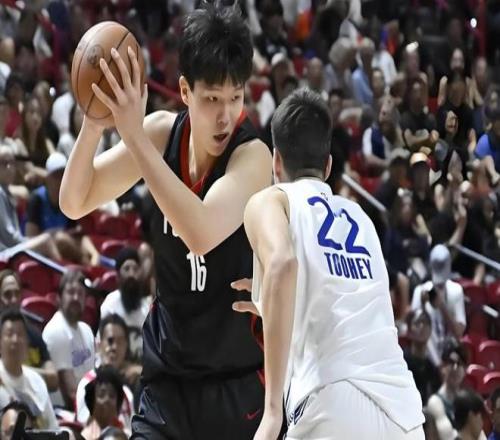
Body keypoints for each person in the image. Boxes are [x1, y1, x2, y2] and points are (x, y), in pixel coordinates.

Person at [59, 3, 272, 439]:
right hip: (167, 382)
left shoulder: (252, 156)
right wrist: (96, 122)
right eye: (212, 99)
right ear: (185, 91)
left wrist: (133, 136)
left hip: (233, 386)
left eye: (235, 97)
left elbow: (201, 233)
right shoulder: (160, 134)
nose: (225, 115)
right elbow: (74, 201)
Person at [234, 88, 424, 439]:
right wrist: (269, 302)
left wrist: (272, 412)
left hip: (333, 397)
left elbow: (282, 265)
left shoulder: (270, 200)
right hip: (404, 412)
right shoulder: (361, 218)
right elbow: (346, 298)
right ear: (329, 165)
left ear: (276, 161)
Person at [42, 269, 95, 409]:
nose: (76, 298)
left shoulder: (87, 330)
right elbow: (70, 393)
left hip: (87, 403)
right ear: (59, 298)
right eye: (71, 292)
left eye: (80, 293)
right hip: (63, 410)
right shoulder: (56, 330)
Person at [0, 269, 58, 391]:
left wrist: (16, 370)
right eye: (7, 294)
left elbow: (53, 379)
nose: (13, 299)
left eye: (17, 293)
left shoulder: (33, 333)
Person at [0, 308, 58, 429]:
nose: (15, 340)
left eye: (20, 334)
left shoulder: (37, 381)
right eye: (9, 334)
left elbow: (52, 428)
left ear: (27, 343)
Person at [411, 245, 466, 367]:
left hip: (449, 358)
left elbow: (459, 333)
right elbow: (416, 333)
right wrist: (423, 306)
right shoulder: (420, 291)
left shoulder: (456, 291)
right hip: (426, 360)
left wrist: (442, 307)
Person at [100, 247, 150, 360]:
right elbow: (103, 347)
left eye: (135, 269)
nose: (131, 274)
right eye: (126, 269)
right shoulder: (110, 304)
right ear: (118, 277)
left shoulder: (147, 308)